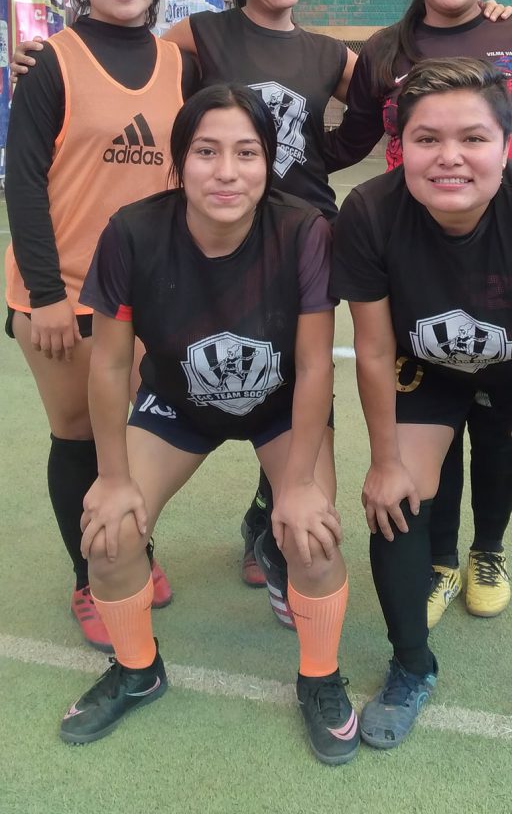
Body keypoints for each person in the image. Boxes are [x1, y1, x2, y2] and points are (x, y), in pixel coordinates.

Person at [12, 0, 512, 603]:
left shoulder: (305, 54)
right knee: (130, 413)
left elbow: (390, 95)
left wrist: (481, 22)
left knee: (278, 384)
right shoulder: (194, 39)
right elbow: (105, 77)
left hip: (287, 242)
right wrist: (44, 52)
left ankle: (266, 520)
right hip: (166, 252)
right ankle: (104, 567)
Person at [331, 57, 512, 772]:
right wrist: (384, 462)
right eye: (427, 139)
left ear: (507, 141)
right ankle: (411, 665)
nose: (450, 157)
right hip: (426, 368)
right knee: (396, 500)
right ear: (400, 145)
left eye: (473, 138)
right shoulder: (368, 211)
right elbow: (373, 349)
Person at [58, 84, 358, 765]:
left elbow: (315, 365)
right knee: (109, 536)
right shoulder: (131, 232)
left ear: (269, 162)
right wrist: (111, 477)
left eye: (247, 153)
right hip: (177, 402)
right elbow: (109, 365)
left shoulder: (304, 231)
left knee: (311, 537)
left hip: (280, 403)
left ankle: (319, 677)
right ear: (178, 161)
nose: (227, 172)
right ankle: (137, 671)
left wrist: (299, 485)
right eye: (206, 152)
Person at [324, 0, 512, 630]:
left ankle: (489, 550)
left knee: (498, 415)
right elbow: (352, 138)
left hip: (508, 253)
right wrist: (258, 157)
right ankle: (442, 558)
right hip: (417, 259)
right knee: (435, 407)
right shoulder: (385, 49)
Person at [5, 0, 198, 651]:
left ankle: (131, 548)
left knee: (139, 431)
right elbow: (24, 186)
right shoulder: (51, 63)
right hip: (63, 294)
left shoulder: (178, 64)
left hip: (148, 292)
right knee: (81, 435)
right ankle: (90, 577)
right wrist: (47, 298)